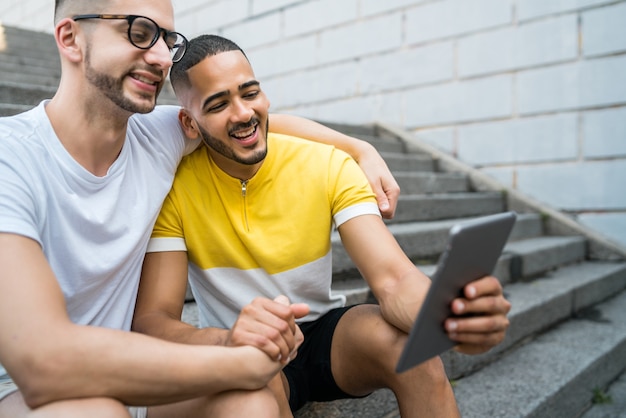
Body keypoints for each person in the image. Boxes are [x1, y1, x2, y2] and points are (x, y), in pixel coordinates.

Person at [0, 0, 401, 417]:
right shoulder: (10, 157)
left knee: (254, 397)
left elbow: (248, 120)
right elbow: (41, 361)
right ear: (70, 38)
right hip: (24, 388)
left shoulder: (157, 136)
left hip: (138, 374)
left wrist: (359, 149)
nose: (159, 57)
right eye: (139, 32)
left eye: (168, 40)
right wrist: (233, 357)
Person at [133, 34, 512, 418]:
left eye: (250, 93)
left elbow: (394, 279)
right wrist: (227, 340)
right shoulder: (174, 188)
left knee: (416, 355)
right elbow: (153, 321)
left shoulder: (327, 163)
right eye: (218, 104)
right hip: (246, 345)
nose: (244, 113)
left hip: (325, 338)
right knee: (253, 395)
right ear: (189, 124)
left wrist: (451, 317)